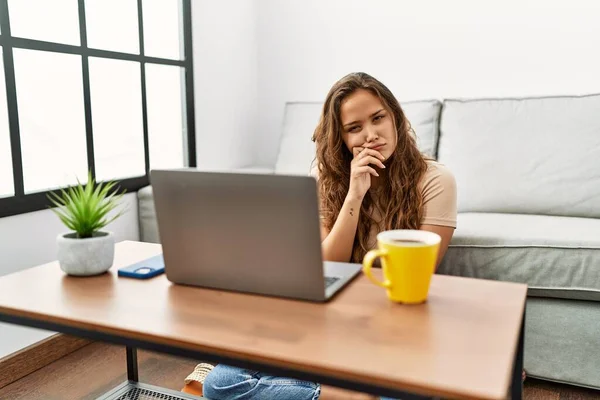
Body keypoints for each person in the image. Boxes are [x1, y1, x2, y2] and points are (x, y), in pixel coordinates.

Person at [199, 72, 457, 400]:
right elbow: (326, 266)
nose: (372, 134)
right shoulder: (325, 176)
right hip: (330, 318)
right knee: (219, 383)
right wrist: (354, 195)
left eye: (378, 118)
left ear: (394, 116)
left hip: (391, 326)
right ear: (342, 138)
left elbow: (420, 276)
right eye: (355, 128)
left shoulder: (436, 180)